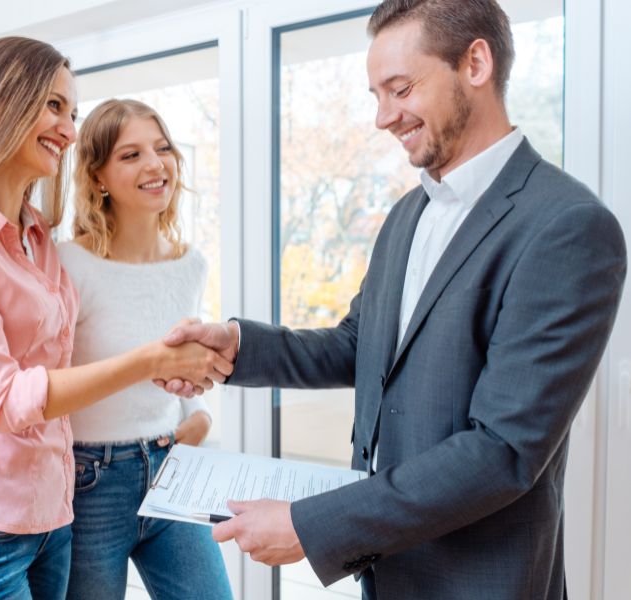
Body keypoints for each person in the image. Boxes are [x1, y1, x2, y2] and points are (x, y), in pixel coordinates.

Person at [157, 1, 627, 598]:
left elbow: (502, 450)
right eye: (376, 95)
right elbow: (363, 346)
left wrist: (313, 526)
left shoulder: (568, 225)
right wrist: (239, 348)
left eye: (400, 89)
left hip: (480, 582)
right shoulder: (409, 212)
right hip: (387, 571)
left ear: (475, 63)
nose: (383, 117)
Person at [0, 37, 230, 599]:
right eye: (55, 107)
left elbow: (47, 357)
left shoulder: (36, 235)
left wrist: (191, 414)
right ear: (0, 102)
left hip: (52, 516)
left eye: (71, 112)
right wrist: (149, 361)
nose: (69, 129)